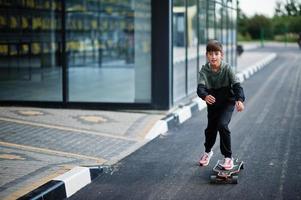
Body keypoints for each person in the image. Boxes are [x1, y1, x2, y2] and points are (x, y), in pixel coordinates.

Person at [197, 39, 245, 170]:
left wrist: (239, 99)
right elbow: (200, 88)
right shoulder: (204, 70)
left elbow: (237, 85)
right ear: (207, 55)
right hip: (212, 104)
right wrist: (205, 96)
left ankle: (228, 157)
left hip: (227, 102)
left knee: (222, 125)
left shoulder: (227, 68)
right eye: (210, 54)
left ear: (221, 55)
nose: (213, 57)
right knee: (210, 129)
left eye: (216, 54)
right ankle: (208, 152)